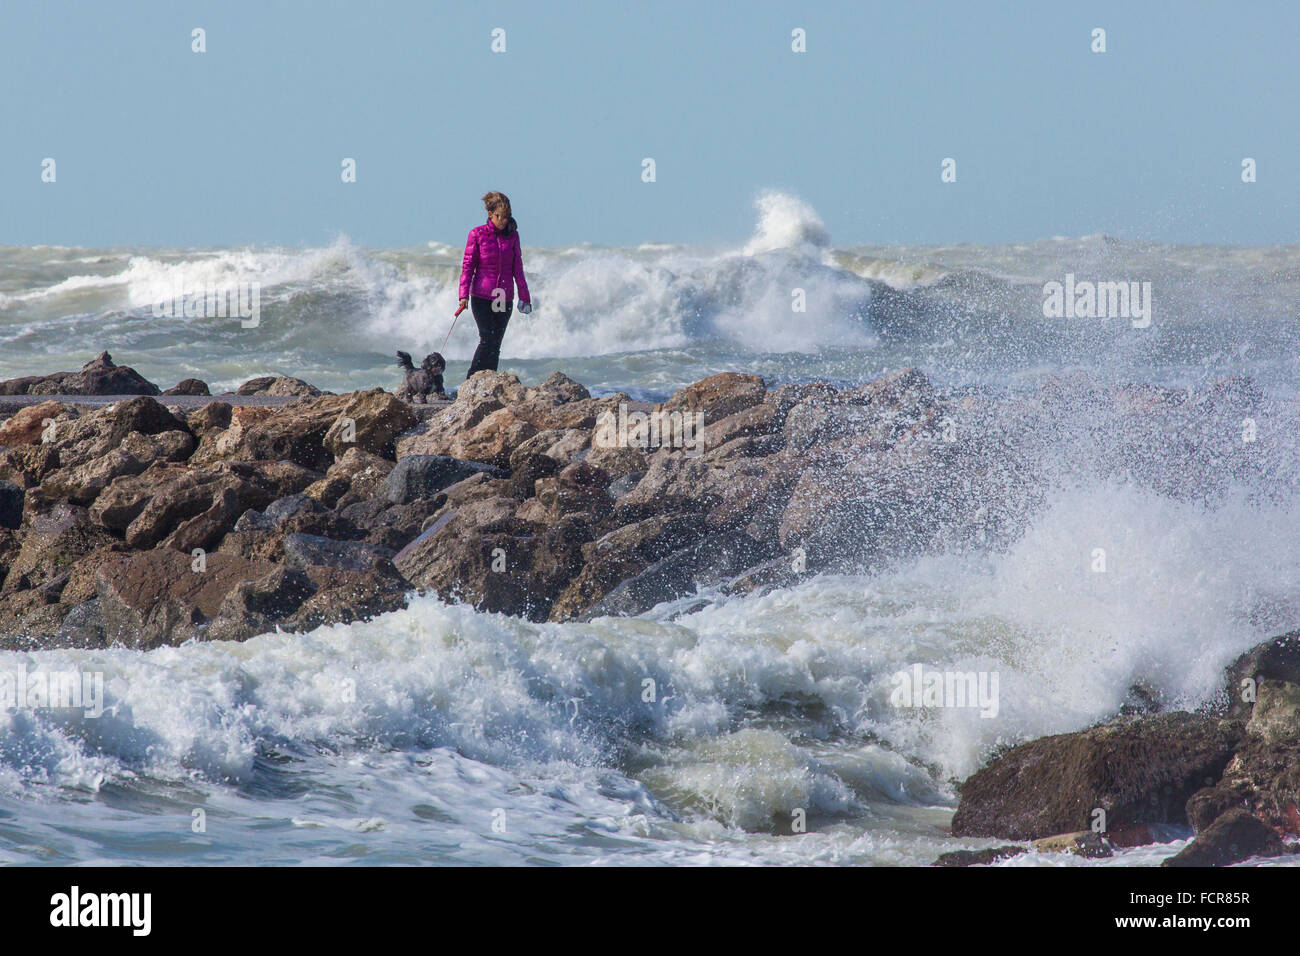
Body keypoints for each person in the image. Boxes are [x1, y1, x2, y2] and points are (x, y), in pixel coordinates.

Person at [456, 191, 531, 380]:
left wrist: (525, 297)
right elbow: (468, 267)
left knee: (496, 342)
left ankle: (489, 380)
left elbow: (518, 268)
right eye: (500, 217)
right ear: (491, 214)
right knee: (487, 338)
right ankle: (472, 380)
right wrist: (463, 295)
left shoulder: (512, 236)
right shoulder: (477, 234)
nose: (504, 222)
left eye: (507, 218)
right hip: (482, 296)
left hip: (503, 296)